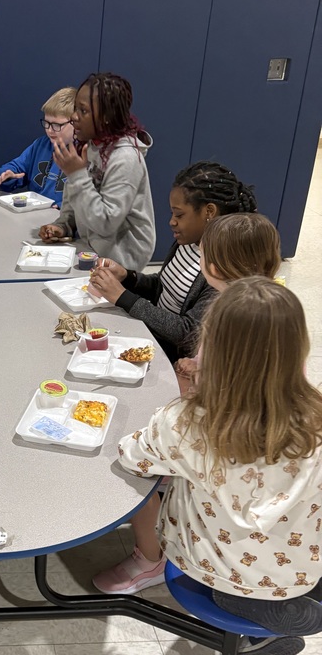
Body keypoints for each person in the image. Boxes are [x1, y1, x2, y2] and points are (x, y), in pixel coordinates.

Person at [101, 280, 322, 655]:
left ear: (210, 351)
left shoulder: (188, 423)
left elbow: (133, 456)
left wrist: (185, 396)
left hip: (217, 569)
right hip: (303, 561)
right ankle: (286, 609)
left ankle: (260, 616)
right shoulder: (315, 418)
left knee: (229, 588)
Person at [93, 207, 280, 598]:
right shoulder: (274, 309)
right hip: (245, 448)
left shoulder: (227, 317)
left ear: (214, 265)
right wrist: (200, 367)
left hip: (216, 463)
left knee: (133, 467)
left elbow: (143, 450)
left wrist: (188, 396)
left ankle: (151, 559)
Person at [87, 161, 258, 365]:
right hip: (150, 334)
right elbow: (165, 287)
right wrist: (127, 277)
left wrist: (123, 297)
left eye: (179, 215)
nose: (172, 222)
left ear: (209, 212)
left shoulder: (220, 269)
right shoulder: (187, 241)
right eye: (172, 214)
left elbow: (189, 334)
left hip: (173, 359)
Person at [38, 72, 155, 270]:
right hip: (92, 250)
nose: (74, 117)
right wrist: (63, 225)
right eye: (76, 108)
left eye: (83, 111)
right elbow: (75, 199)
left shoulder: (126, 158)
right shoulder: (91, 145)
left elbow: (106, 223)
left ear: (106, 118)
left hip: (121, 263)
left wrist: (76, 175)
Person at [174, 212, 281, 389]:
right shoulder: (279, 303)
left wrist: (197, 375)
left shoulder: (232, 315)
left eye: (201, 254)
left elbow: (226, 384)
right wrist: (197, 363)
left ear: (214, 269)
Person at [0, 87, 76, 207]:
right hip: (35, 213)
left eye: (56, 125)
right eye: (46, 123)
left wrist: (64, 207)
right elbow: (15, 167)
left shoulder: (86, 153)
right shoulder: (40, 145)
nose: (49, 130)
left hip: (65, 217)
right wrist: (7, 175)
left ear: (76, 123)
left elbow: (90, 200)